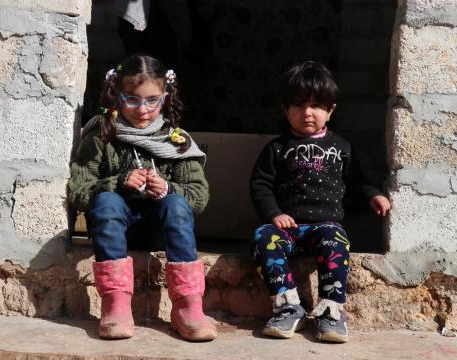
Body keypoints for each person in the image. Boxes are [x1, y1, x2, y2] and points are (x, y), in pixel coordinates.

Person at [67, 54, 217, 341]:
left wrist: (167, 189)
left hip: (161, 233)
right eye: (132, 99)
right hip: (112, 235)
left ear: (165, 96)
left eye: (153, 100)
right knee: (108, 201)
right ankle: (116, 305)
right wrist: (119, 183)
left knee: (175, 203)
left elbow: (199, 196)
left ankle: (187, 307)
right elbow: (77, 190)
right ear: (116, 95)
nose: (143, 109)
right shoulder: (101, 136)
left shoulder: (176, 141)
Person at [249, 61, 391, 343]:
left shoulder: (341, 147)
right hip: (286, 227)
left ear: (331, 110)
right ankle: (288, 306)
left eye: (316, 105)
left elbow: (357, 180)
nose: (307, 113)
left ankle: (331, 311)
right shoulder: (276, 148)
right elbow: (260, 185)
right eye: (298, 105)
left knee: (338, 240)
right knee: (262, 237)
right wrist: (274, 214)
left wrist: (372, 194)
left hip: (325, 227)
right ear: (285, 110)